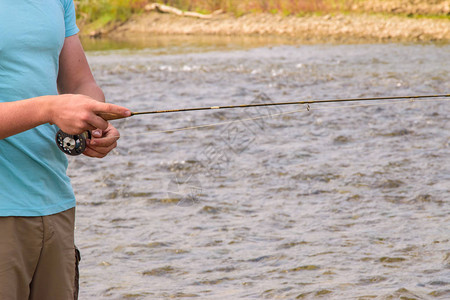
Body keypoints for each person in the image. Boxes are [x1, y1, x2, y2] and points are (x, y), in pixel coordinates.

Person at [0, 1, 130, 299]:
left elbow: (80, 82)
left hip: (56, 205)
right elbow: (52, 106)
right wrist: (49, 108)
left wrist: (93, 125)